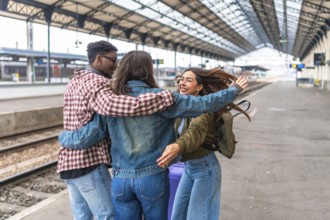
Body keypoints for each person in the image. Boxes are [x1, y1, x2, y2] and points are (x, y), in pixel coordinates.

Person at [58, 51, 248, 220]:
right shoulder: (163, 98)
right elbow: (204, 104)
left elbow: (92, 133)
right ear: (148, 70)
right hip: (152, 177)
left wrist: (64, 138)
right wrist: (234, 90)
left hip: (120, 179)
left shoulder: (111, 101)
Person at [58, 41, 175, 220]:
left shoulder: (75, 79)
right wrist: (162, 98)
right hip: (88, 163)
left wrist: (65, 138)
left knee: (82, 217)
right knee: (108, 215)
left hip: (67, 163)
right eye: (112, 60)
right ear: (98, 59)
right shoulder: (99, 82)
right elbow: (113, 109)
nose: (116, 64)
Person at [157, 67, 237, 220]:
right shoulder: (181, 107)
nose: (182, 83)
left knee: (198, 217)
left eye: (189, 80)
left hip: (205, 169)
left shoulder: (204, 110)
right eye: (181, 79)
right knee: (177, 216)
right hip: (189, 168)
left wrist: (179, 146)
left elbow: (195, 132)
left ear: (199, 87)